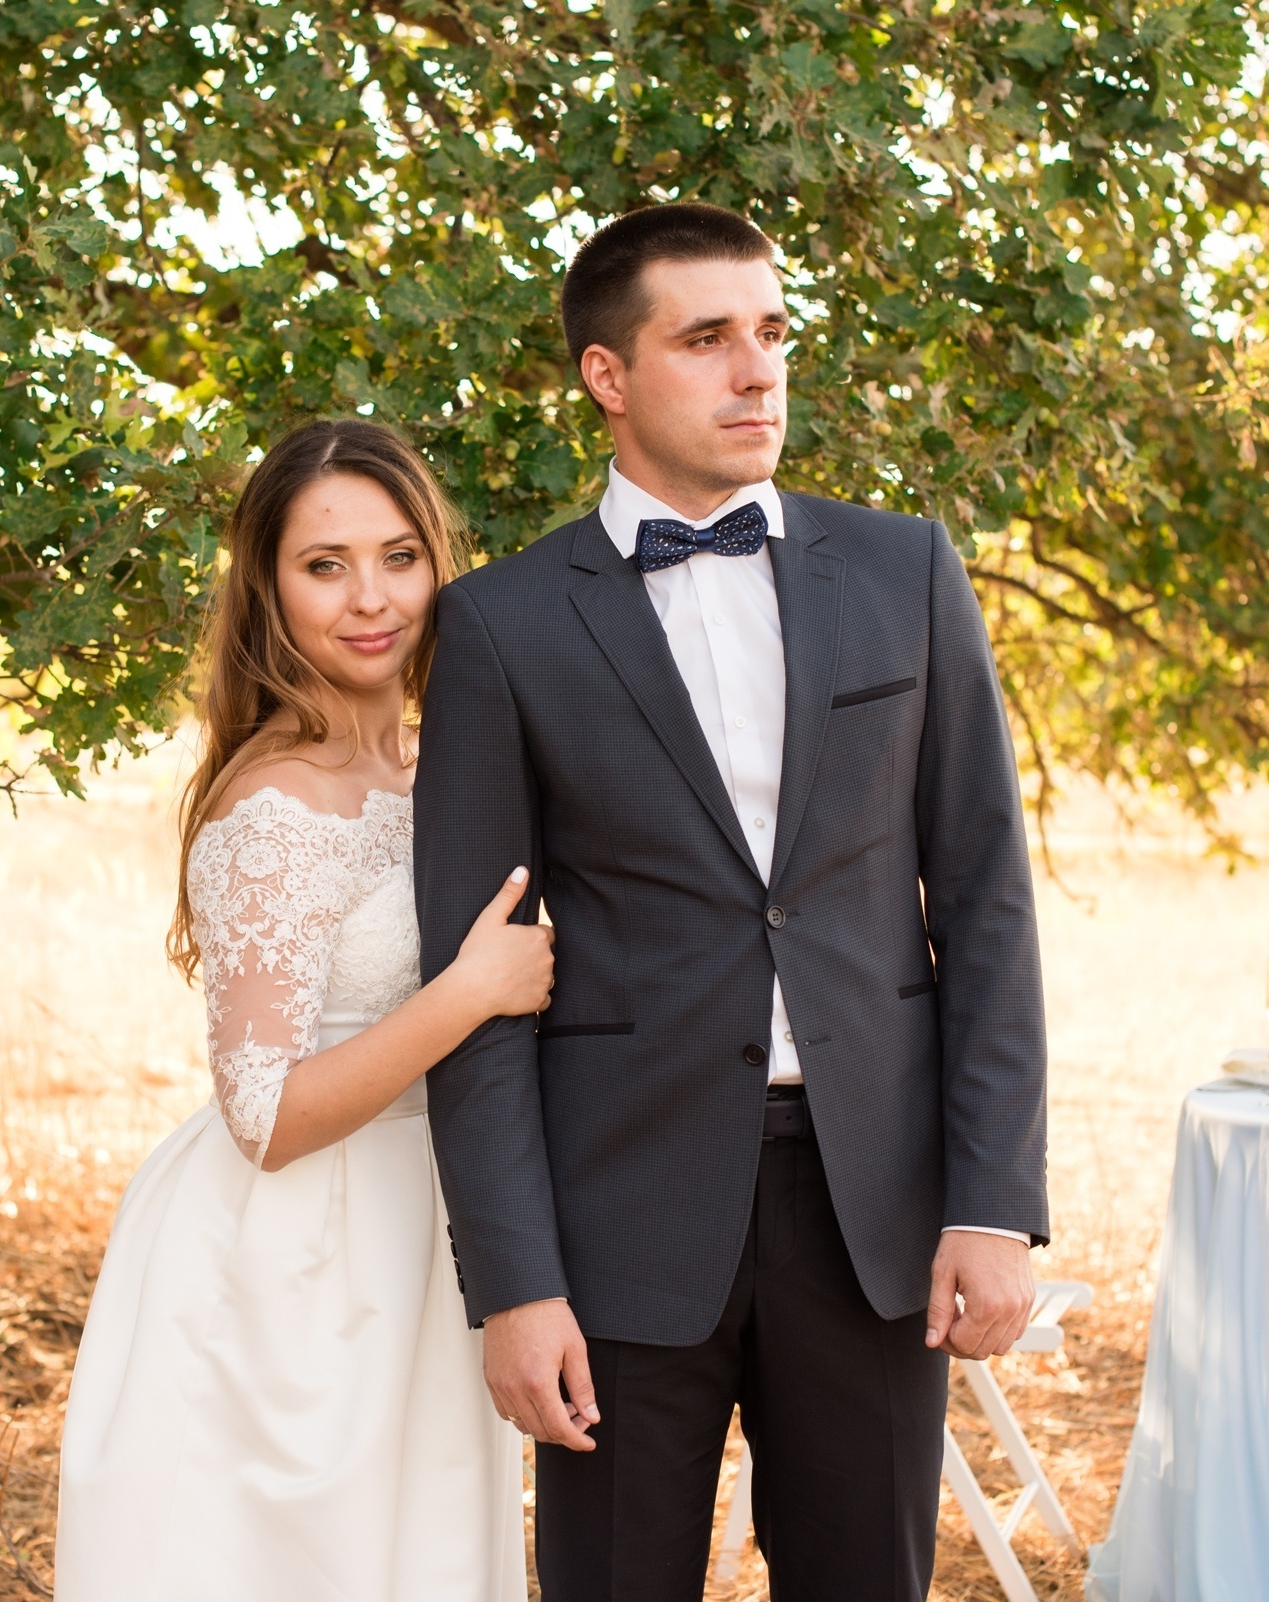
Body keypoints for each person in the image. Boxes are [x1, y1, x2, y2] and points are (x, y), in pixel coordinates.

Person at [416, 202, 1051, 1601]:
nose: (756, 370)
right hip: (619, 1218)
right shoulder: (501, 625)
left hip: (872, 1210)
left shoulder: (906, 570)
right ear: (607, 376)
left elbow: (990, 902)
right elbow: (472, 990)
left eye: (770, 332)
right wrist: (514, 1280)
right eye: (705, 340)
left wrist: (994, 1199)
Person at [54, 419, 548, 1602]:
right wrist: (468, 993)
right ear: (269, 589)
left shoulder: (434, 768)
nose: (369, 598)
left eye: (399, 556)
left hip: (423, 1233)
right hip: (292, 1263)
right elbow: (263, 1114)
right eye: (324, 565)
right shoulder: (275, 806)